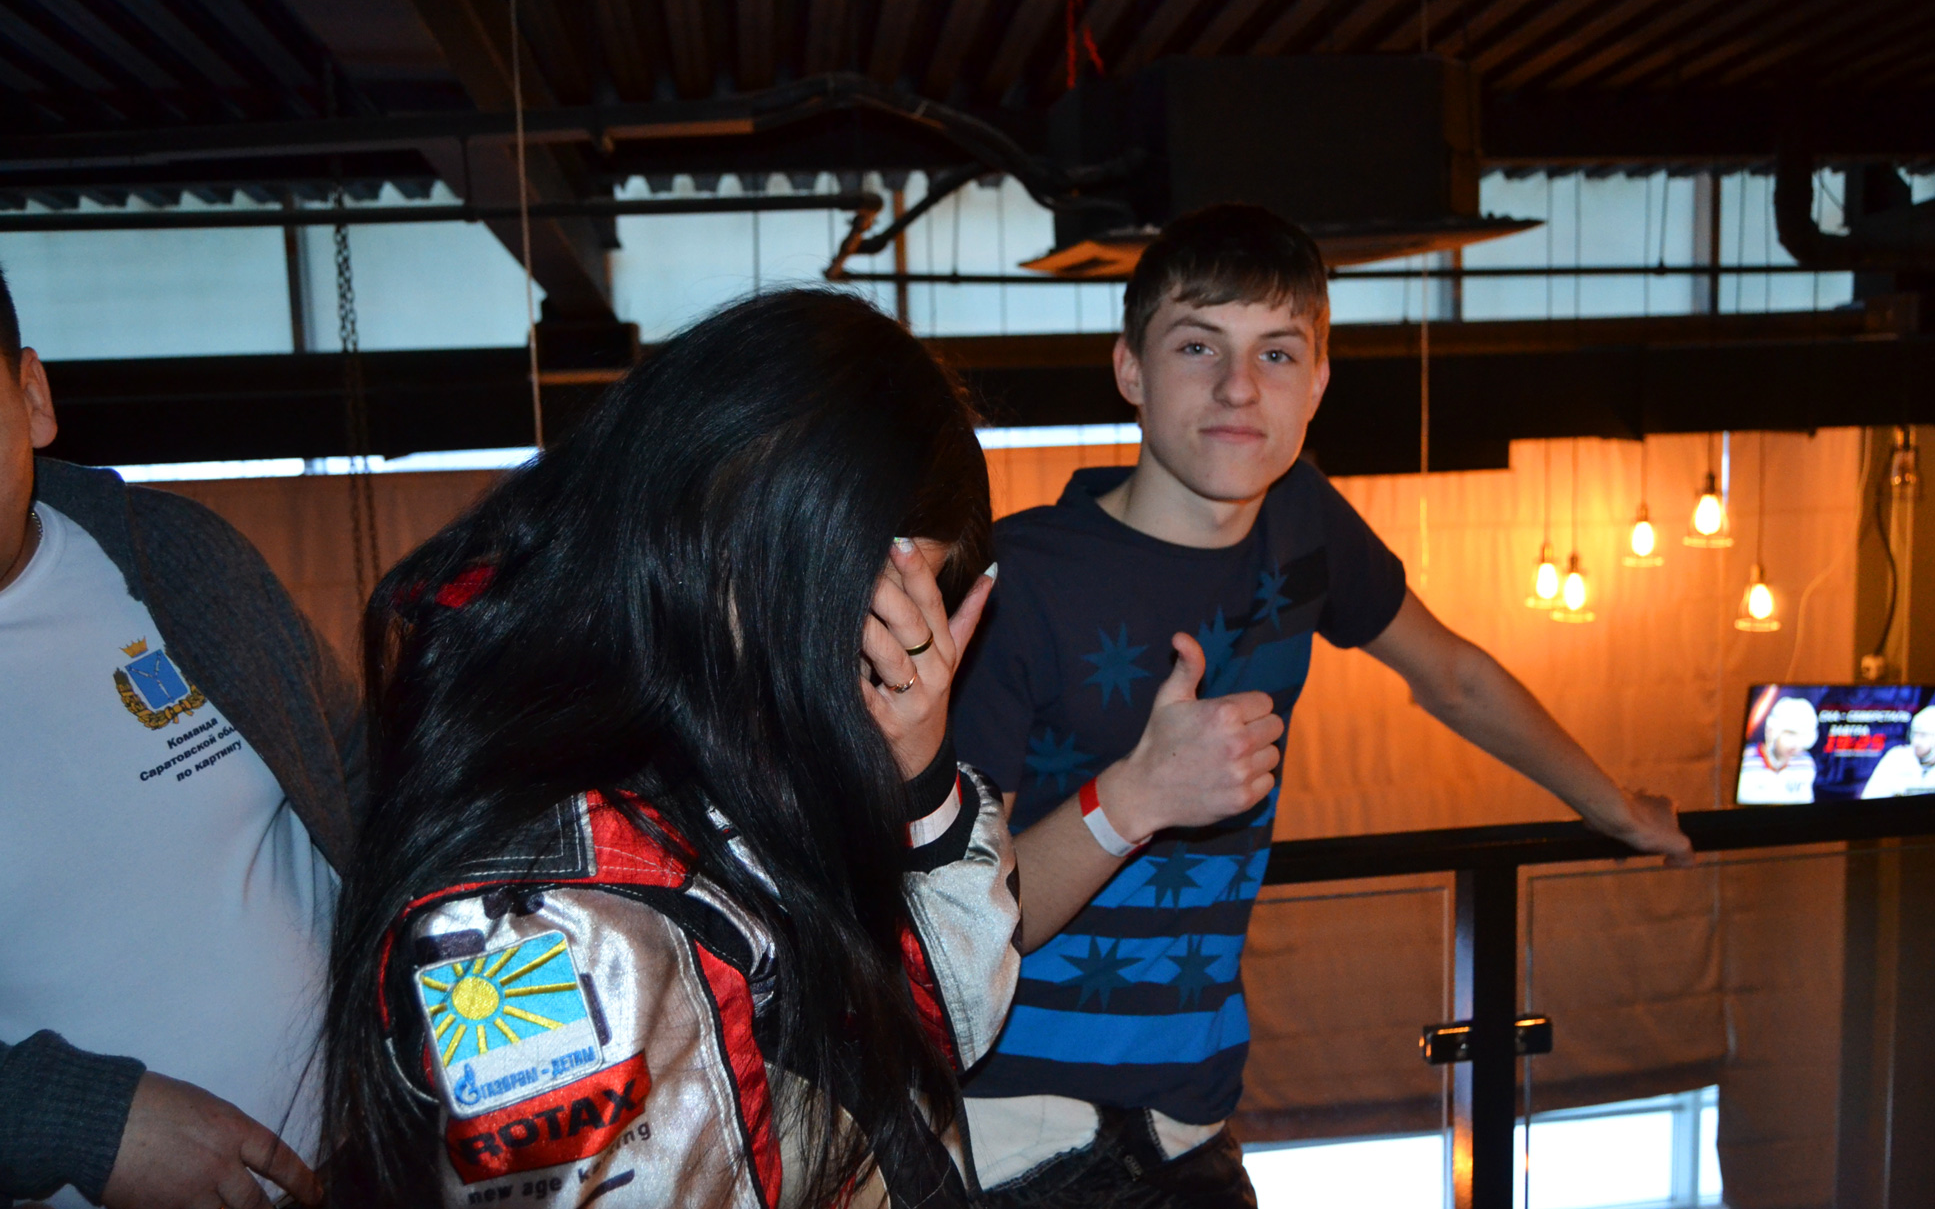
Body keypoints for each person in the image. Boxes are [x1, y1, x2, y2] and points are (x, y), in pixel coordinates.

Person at [950, 205, 1694, 1208]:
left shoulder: (1300, 520)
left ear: (1319, 383)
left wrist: (1614, 808)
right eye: (1198, 346)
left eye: (1277, 353)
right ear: (1129, 369)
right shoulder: (1021, 582)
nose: (1238, 388)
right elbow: (963, 924)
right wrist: (1134, 797)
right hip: (1012, 1132)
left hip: (1190, 1114)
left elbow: (1453, 676)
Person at [322, 290, 1020, 1208]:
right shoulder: (537, 924)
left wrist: (919, 783)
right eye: (862, 613)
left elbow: (936, 1037)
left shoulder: (716, 740)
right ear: (737, 526)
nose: (869, 664)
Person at [0, 272, 358, 1208]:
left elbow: (351, 764)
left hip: (367, 1161)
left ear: (32, 398)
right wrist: (82, 1123)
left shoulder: (175, 554)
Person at [1737, 695, 1819, 804]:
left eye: (1803, 735)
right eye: (1791, 733)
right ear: (1771, 731)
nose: (1796, 744)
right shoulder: (1744, 761)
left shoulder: (1806, 763)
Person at [1860, 703, 1935, 798]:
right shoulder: (1896, 758)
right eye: (1914, 734)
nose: (1916, 741)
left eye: (1923, 735)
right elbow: (1870, 798)